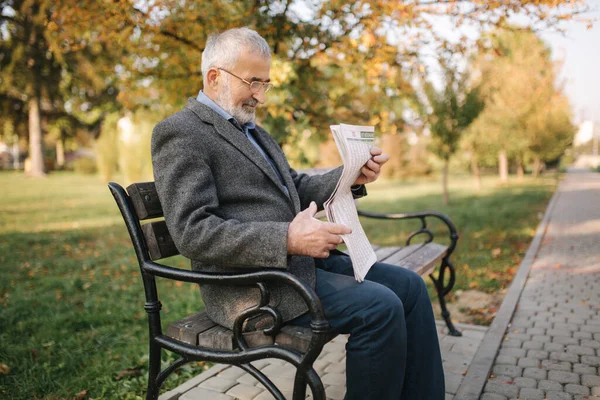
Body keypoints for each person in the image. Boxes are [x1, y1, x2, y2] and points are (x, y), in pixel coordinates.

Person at [151, 27, 444, 400]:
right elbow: (192, 231)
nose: (259, 94)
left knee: (410, 287)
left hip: (299, 266)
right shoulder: (180, 133)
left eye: (265, 83)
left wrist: (350, 175)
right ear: (214, 76)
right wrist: (287, 238)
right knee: (380, 307)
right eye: (252, 81)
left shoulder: (254, 131)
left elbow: (297, 187)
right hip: (253, 286)